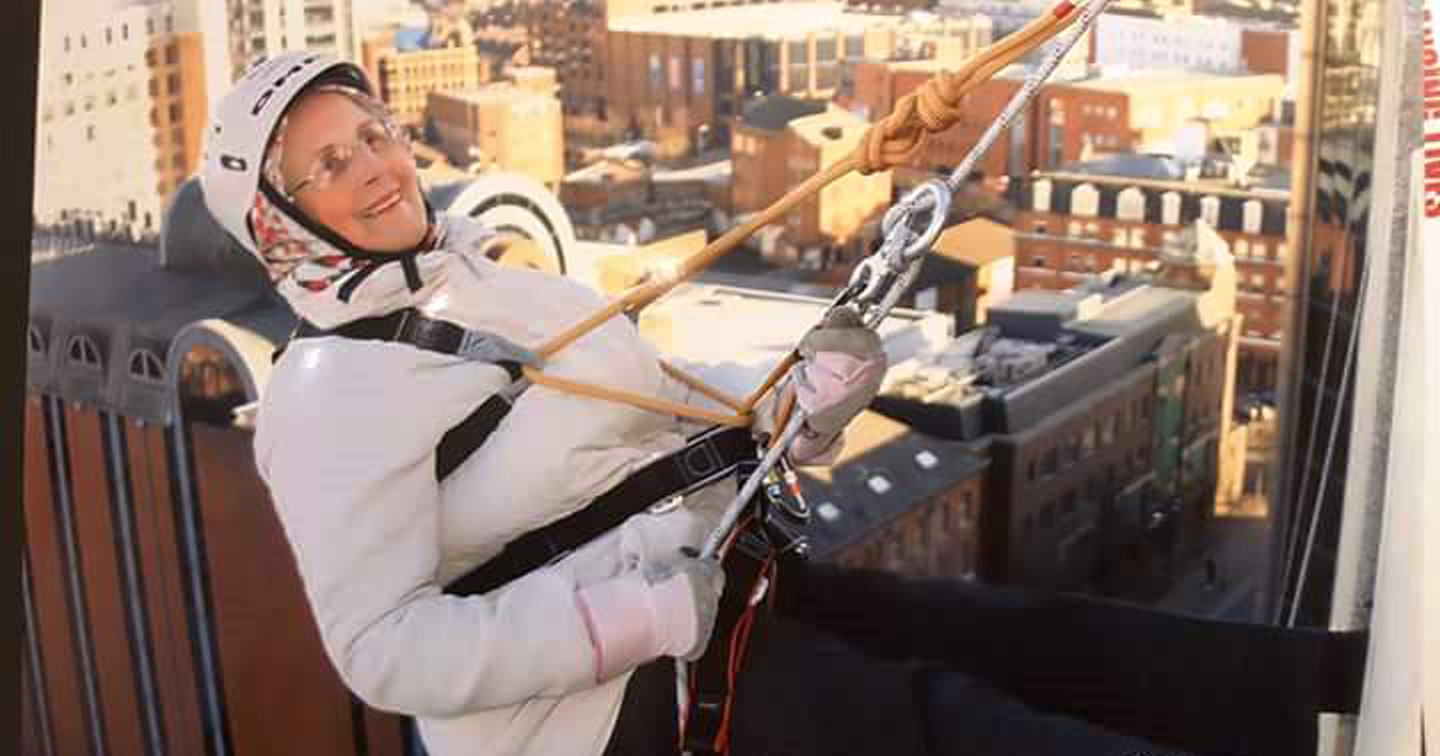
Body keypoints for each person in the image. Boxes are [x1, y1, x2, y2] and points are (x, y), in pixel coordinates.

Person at [201, 52, 1365, 756]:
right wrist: (633, 625)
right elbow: (382, 652)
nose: (376, 168)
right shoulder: (325, 398)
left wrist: (803, 410)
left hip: (712, 588)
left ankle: (1331, 687)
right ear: (276, 219)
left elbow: (676, 420)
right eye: (326, 166)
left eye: (373, 133)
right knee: (947, 731)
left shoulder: (500, 277)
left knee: (1023, 639)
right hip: (601, 711)